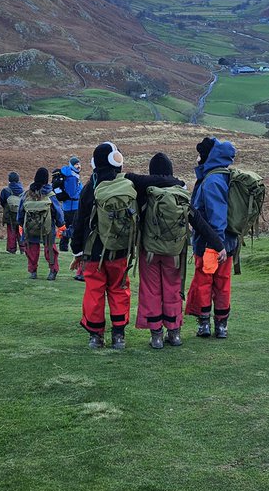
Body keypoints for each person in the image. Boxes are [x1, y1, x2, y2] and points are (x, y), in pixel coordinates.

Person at [71, 142, 135, 350]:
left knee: (94, 292)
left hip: (93, 252)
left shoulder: (90, 188)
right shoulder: (125, 184)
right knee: (119, 290)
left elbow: (79, 221)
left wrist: (77, 250)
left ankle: (96, 336)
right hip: (119, 249)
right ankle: (119, 335)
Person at [126, 152, 189, 349]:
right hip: (175, 252)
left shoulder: (146, 190)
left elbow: (128, 176)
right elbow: (196, 219)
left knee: (151, 291)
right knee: (172, 289)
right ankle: (174, 333)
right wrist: (218, 245)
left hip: (150, 251)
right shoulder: (180, 192)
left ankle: (156, 337)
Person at [185, 136, 237, 339]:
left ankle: (205, 324)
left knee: (205, 282)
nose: (198, 158)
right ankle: (221, 325)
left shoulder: (211, 181)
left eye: (201, 154)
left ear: (208, 156)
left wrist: (217, 244)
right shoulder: (224, 176)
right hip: (227, 243)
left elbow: (216, 216)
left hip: (211, 243)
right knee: (222, 284)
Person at [18, 167, 65, 279]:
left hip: (30, 227)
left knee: (32, 249)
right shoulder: (50, 195)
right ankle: (53, 271)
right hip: (48, 228)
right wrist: (60, 224)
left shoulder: (26, 194)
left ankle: (33, 272)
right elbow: (58, 212)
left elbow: (20, 212)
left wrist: (21, 223)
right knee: (50, 249)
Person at [58, 156, 83, 252]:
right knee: (74, 228)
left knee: (67, 227)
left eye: (79, 164)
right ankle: (72, 248)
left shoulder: (71, 175)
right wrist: (81, 192)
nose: (79, 166)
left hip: (67, 206)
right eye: (76, 164)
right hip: (73, 207)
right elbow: (72, 193)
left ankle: (63, 247)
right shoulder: (72, 177)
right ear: (72, 165)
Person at [0, 171, 25, 253]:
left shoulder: (5, 190)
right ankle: (23, 249)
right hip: (20, 214)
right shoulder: (22, 191)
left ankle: (11, 249)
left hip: (9, 214)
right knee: (21, 231)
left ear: (9, 180)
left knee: (11, 231)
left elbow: (2, 202)